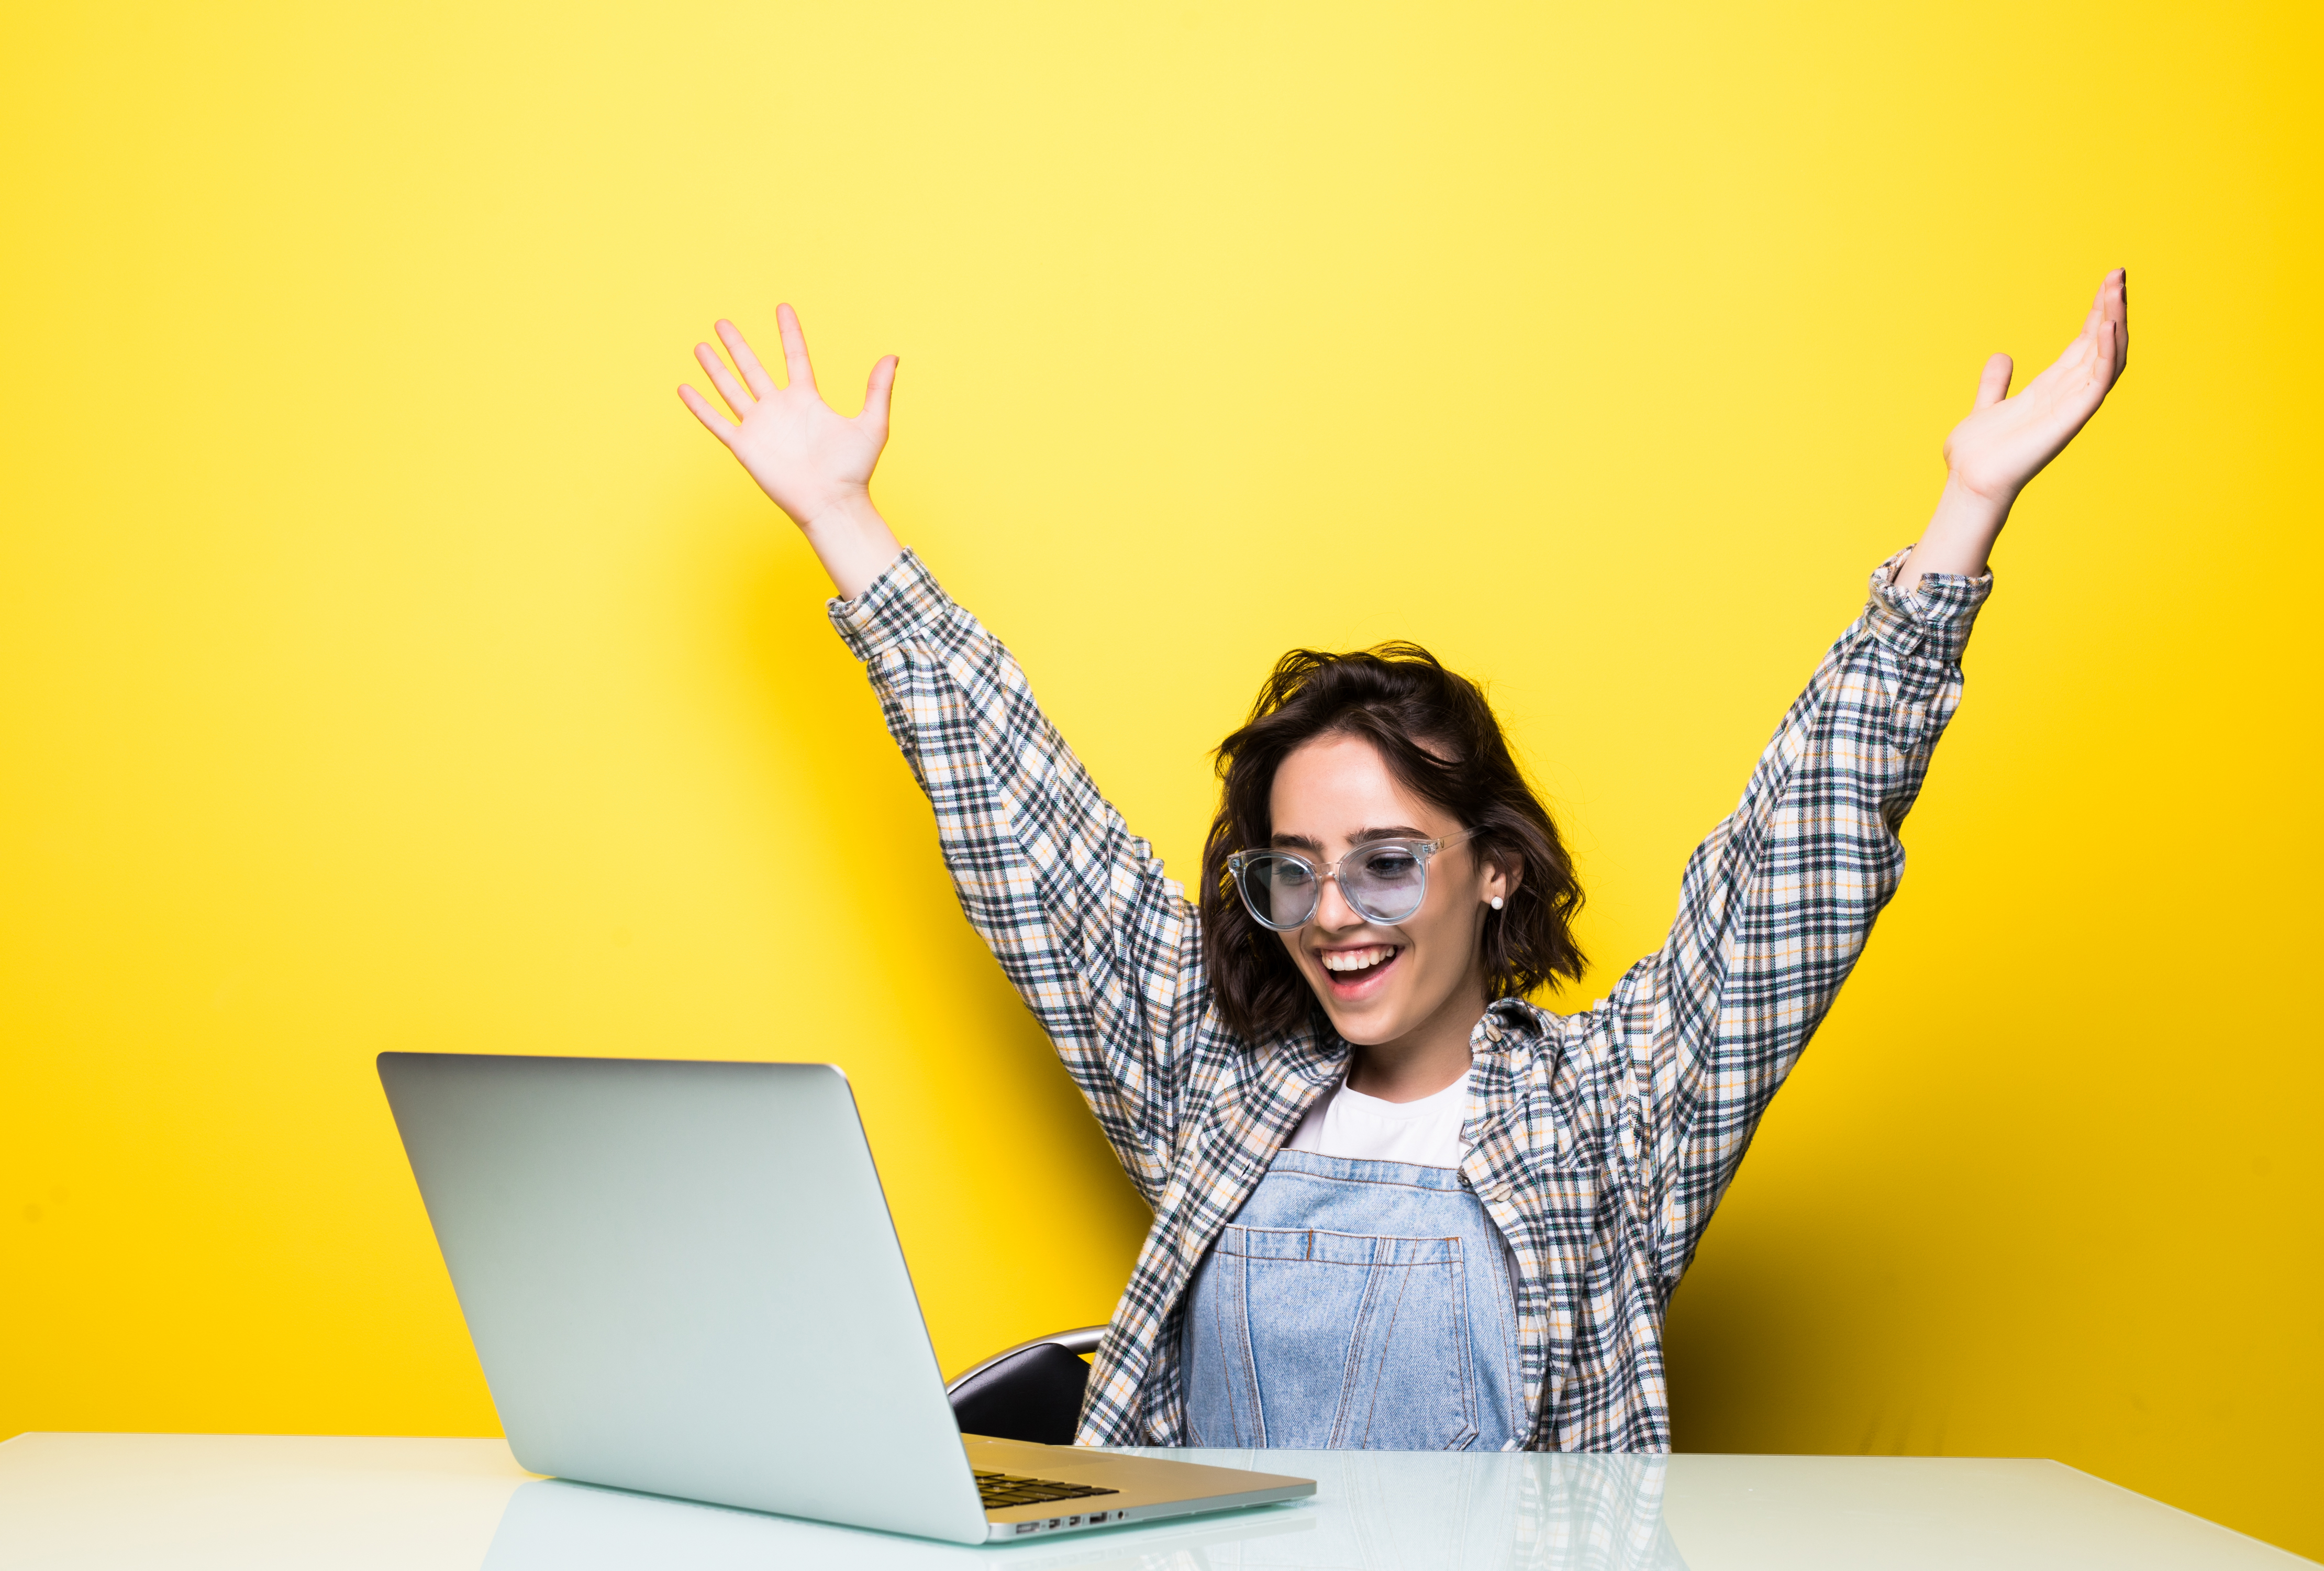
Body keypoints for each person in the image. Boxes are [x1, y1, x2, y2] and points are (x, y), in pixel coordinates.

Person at [676, 273, 2129, 1452]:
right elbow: (1020, 809)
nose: (1330, 916)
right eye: (1289, 869)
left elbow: (1796, 855)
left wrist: (1961, 519)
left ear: (1492, 868)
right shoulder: (1208, 1085)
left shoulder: (1614, 1114)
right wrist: (842, 520)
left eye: (1384, 863)